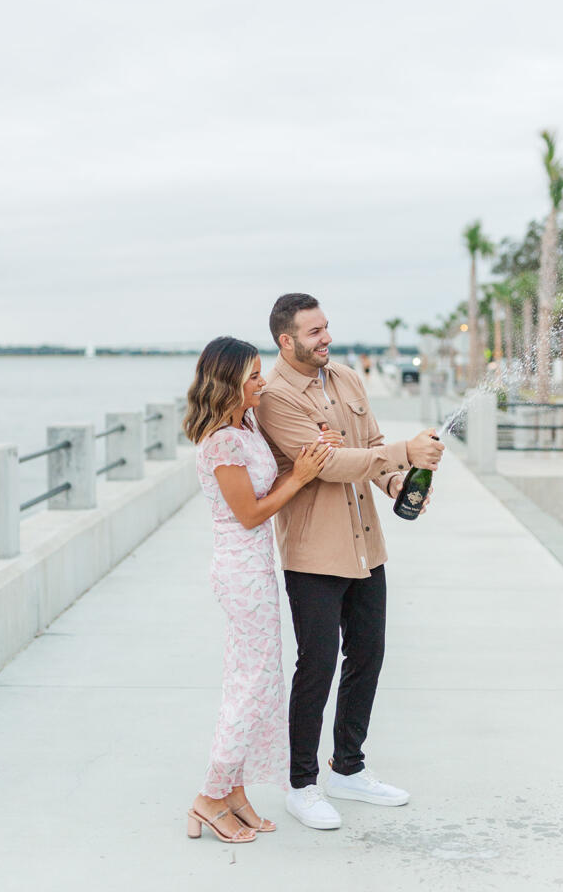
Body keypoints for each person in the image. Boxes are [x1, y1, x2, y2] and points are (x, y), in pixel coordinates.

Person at [255, 294, 445, 830]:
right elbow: (330, 464)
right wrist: (405, 454)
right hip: (314, 551)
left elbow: (373, 447)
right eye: (313, 332)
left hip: (367, 544)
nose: (326, 339)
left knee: (368, 654)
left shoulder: (346, 379)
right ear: (285, 340)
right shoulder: (273, 399)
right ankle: (301, 783)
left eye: (326, 328)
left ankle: (348, 768)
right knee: (316, 664)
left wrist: (396, 482)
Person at [183, 336, 337, 844]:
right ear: (227, 382)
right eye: (252, 376)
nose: (262, 382)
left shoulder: (245, 425)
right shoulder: (221, 442)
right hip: (240, 573)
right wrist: (301, 479)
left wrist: (312, 455)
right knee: (253, 686)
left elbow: (271, 481)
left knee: (254, 683)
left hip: (257, 571)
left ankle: (234, 790)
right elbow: (249, 514)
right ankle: (209, 796)